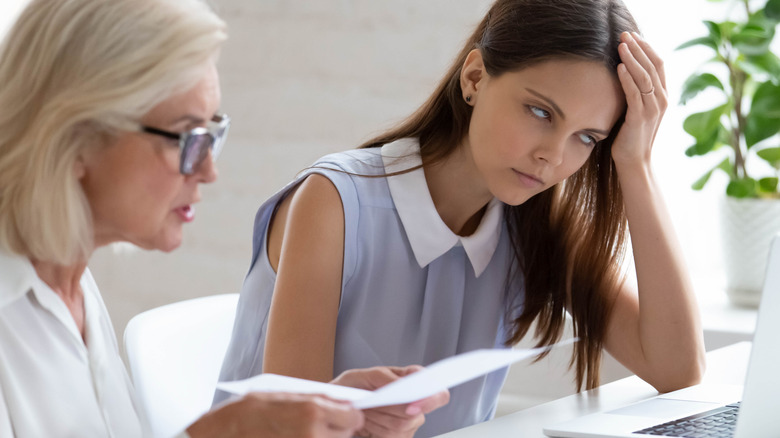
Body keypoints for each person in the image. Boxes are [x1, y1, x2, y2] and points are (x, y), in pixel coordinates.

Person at [217, 0, 708, 436]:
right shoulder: (334, 203)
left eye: (587, 137)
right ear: (474, 78)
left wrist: (636, 164)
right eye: (540, 112)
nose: (552, 157)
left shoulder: (536, 223)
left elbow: (677, 370)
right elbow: (288, 428)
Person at [0, 0, 448, 437]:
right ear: (76, 137)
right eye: (189, 137)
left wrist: (325, 422)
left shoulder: (73, 289)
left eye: (214, 135)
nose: (209, 171)